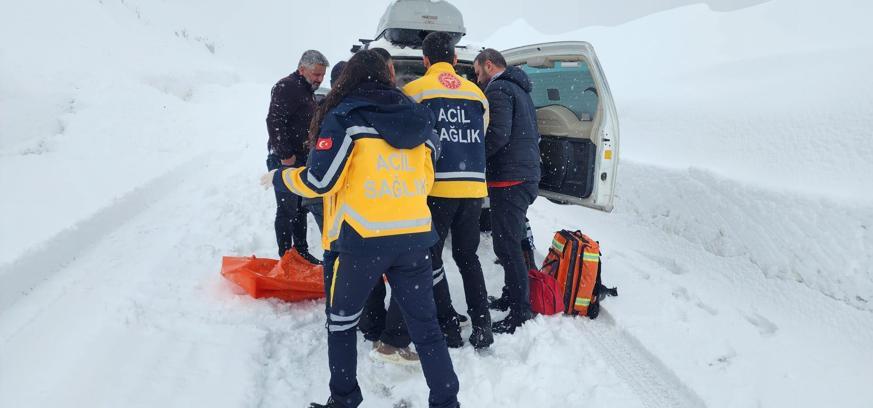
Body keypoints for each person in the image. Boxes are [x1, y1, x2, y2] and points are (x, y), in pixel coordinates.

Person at [263, 50, 459, 408]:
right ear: (388, 76)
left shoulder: (345, 118)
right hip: (414, 237)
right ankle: (446, 401)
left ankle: (344, 400)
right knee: (426, 328)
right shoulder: (420, 120)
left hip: (362, 239)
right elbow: (428, 177)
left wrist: (281, 177)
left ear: (349, 77)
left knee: (341, 325)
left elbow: (321, 180)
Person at [402, 32, 493, 349]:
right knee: (468, 257)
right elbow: (480, 133)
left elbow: (408, 139)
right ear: (455, 59)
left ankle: (448, 325)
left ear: (425, 60)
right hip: (472, 188)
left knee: (431, 257)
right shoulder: (477, 94)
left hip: (436, 187)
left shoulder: (414, 91)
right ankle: (482, 326)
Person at [473, 48, 542, 334]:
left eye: (477, 72)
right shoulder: (519, 89)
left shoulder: (499, 89)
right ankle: (510, 296)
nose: (477, 79)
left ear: (489, 66)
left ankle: (520, 311)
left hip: (510, 180)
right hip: (523, 175)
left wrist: (474, 159)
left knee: (507, 246)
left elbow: (498, 134)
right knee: (510, 242)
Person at [265, 49, 329, 264]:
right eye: (316, 75)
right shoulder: (287, 87)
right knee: (287, 209)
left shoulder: (306, 89)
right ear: (302, 69)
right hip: (285, 159)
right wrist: (286, 156)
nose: (320, 80)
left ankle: (301, 252)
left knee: (301, 207)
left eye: (322, 75)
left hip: (301, 158)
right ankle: (285, 257)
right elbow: (274, 122)